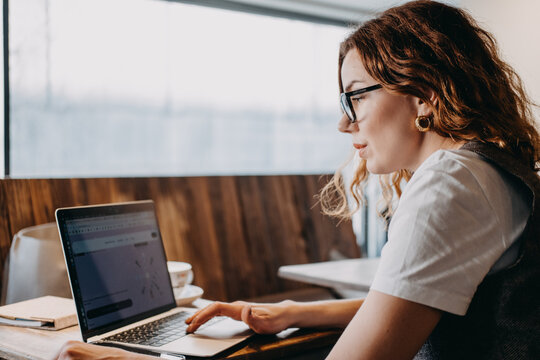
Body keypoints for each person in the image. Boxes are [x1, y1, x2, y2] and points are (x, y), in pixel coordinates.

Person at [55, 1, 539, 359]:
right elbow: (418, 303)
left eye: (356, 97)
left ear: (425, 95)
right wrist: (291, 311)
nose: (345, 124)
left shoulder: (452, 180)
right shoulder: (489, 167)